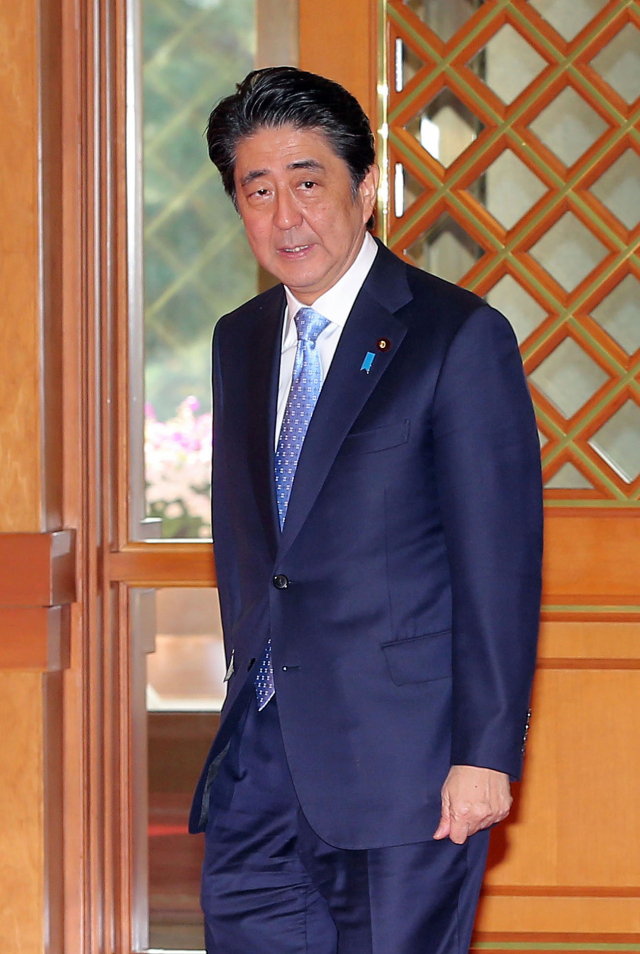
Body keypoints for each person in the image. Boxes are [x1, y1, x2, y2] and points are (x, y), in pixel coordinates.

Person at [190, 66, 543, 954]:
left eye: (308, 183)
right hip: (260, 759)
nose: (285, 216)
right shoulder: (240, 340)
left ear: (368, 187)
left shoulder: (456, 336)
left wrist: (485, 754)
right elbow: (256, 547)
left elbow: (498, 569)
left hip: (406, 770)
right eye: (257, 190)